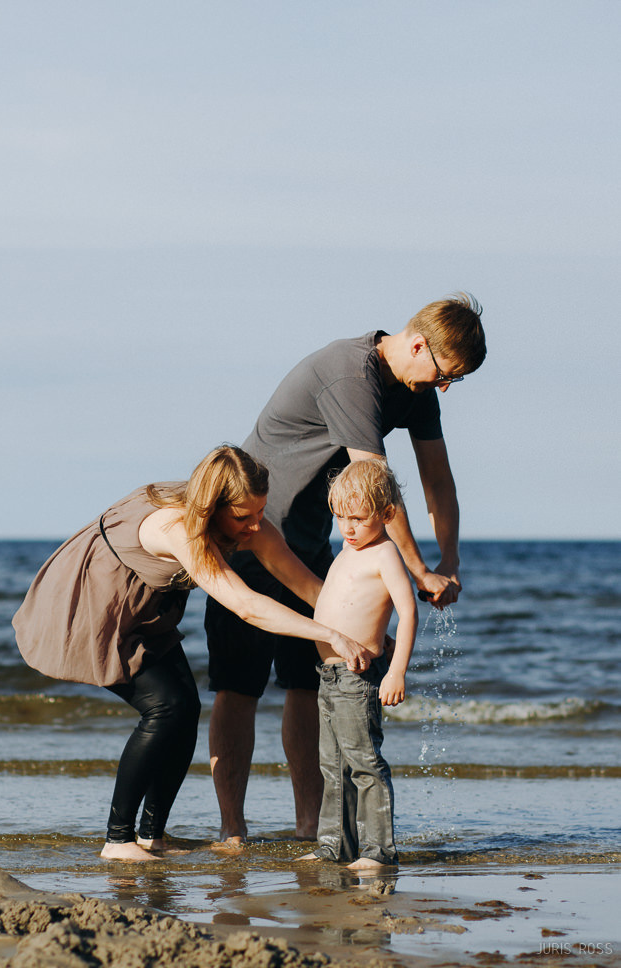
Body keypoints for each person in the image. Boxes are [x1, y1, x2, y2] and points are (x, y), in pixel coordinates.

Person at [205, 292, 486, 845]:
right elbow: (378, 485)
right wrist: (418, 571)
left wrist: (448, 560)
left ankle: (311, 825)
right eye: (444, 373)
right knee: (239, 686)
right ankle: (232, 829)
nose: (445, 387)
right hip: (254, 534)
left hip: (317, 547)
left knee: (310, 685)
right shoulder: (350, 374)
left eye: (456, 380)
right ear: (416, 343)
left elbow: (438, 481)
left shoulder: (416, 389)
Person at [12, 446, 372, 862]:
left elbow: (305, 584)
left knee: (183, 708)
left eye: (260, 511)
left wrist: (355, 628)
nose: (256, 525)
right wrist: (327, 633)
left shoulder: (246, 521)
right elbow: (247, 605)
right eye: (242, 517)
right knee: (166, 707)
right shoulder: (177, 528)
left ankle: (151, 836)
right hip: (97, 605)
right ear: (213, 505)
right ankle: (117, 840)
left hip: (147, 612)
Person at [302, 460, 417, 869]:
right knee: (332, 765)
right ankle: (335, 846)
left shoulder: (385, 554)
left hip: (357, 677)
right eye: (340, 517)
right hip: (328, 676)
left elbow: (407, 612)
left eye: (357, 518)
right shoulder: (348, 551)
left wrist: (397, 669)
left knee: (365, 764)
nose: (347, 528)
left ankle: (378, 851)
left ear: (386, 515)